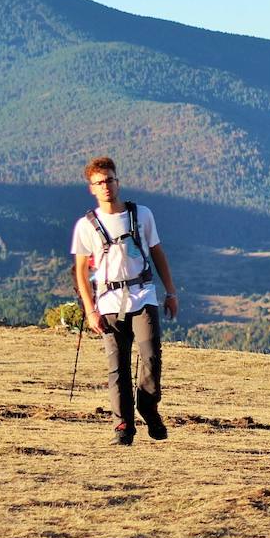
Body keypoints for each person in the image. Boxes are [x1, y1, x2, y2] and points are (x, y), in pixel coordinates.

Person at [72, 156, 179, 445]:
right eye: (99, 182)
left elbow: (158, 253)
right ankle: (123, 426)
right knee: (117, 368)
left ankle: (148, 406)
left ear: (117, 181)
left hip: (144, 296)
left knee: (152, 358)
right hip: (107, 303)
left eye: (109, 180)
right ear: (91, 188)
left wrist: (170, 291)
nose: (105, 186)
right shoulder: (86, 225)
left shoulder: (142, 214)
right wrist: (89, 309)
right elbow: (81, 272)